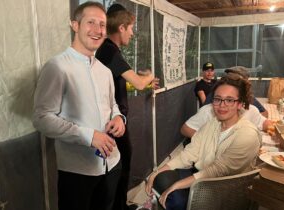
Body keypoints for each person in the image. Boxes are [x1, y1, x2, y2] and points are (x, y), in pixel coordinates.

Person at [32, 2, 126, 210]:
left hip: (112, 163)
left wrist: (120, 118)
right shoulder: (57, 67)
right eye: (90, 22)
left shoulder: (105, 71)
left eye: (102, 24)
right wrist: (88, 135)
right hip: (78, 172)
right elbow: (41, 118)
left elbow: (112, 105)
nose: (98, 30)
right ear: (75, 25)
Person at [145, 74, 262, 210]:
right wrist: (157, 172)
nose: (222, 105)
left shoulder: (248, 134)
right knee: (161, 177)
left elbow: (218, 171)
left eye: (229, 100)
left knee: (175, 195)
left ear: (240, 104)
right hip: (202, 176)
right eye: (217, 99)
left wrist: (176, 185)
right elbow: (190, 153)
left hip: (225, 190)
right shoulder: (213, 123)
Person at [95, 4, 159, 210]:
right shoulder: (108, 50)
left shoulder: (107, 51)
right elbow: (139, 83)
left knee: (119, 167)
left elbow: (118, 82)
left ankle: (120, 205)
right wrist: (149, 75)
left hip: (114, 120)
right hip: (112, 123)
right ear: (121, 27)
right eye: (131, 28)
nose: (132, 33)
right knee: (119, 168)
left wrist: (143, 82)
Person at [204, 66, 269, 118]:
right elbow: (202, 116)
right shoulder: (215, 95)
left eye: (235, 80)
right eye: (228, 77)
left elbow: (264, 113)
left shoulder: (247, 96)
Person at [180, 103, 272, 139]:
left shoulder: (251, 109)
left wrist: (278, 129)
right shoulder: (209, 111)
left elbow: (264, 122)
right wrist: (206, 140)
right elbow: (185, 129)